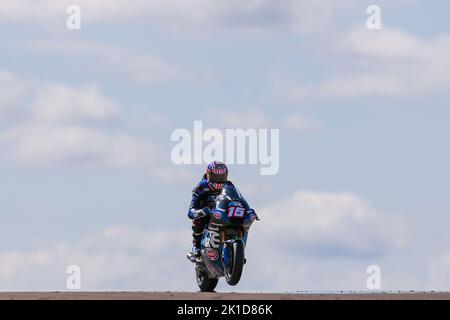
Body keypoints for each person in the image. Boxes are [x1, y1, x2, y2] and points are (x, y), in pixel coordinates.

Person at [187, 161, 232, 259]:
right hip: (207, 214)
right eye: (216, 177)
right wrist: (200, 212)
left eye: (221, 177)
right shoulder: (200, 187)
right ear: (209, 175)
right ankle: (196, 247)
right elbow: (190, 212)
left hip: (224, 214)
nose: (219, 181)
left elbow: (238, 198)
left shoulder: (229, 185)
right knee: (198, 221)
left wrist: (247, 209)